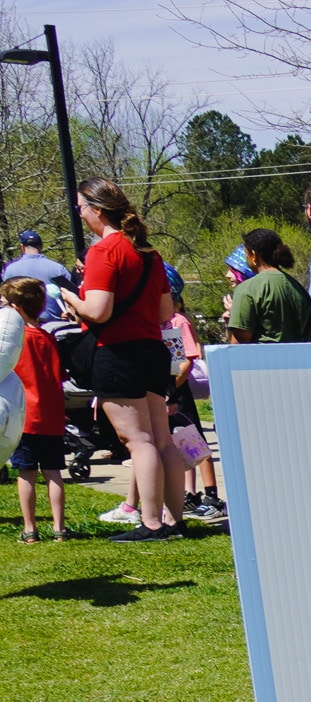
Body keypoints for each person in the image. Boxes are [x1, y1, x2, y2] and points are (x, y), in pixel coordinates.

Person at [57, 178, 187, 542]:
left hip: (117, 352)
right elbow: (165, 311)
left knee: (139, 441)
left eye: (81, 208)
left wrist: (72, 299)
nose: (80, 214)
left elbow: (98, 310)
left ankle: (152, 523)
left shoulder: (103, 251)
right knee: (162, 439)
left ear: (97, 210)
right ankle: (176, 521)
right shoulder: (149, 253)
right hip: (152, 351)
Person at [4, 277, 67, 541]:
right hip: (51, 416)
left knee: (26, 473)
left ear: (15, 308)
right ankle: (59, 528)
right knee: (53, 472)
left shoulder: (16, 342)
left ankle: (30, 528)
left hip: (25, 417)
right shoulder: (48, 338)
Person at [163, 279, 226, 524]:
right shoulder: (162, 323)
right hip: (165, 389)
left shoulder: (177, 322)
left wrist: (171, 390)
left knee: (195, 442)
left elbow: (186, 361)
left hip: (177, 392)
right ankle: (184, 495)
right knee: (173, 444)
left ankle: (212, 497)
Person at [226, 229, 311, 344]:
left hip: (262, 355)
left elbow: (239, 343)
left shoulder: (247, 289)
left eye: (246, 254)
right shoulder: (298, 289)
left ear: (253, 255)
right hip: (297, 354)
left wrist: (233, 316)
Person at [3, 230, 71, 322]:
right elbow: (72, 295)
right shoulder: (58, 269)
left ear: (22, 247)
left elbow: (6, 298)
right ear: (41, 246)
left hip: (23, 323)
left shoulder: (11, 270)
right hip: (56, 323)